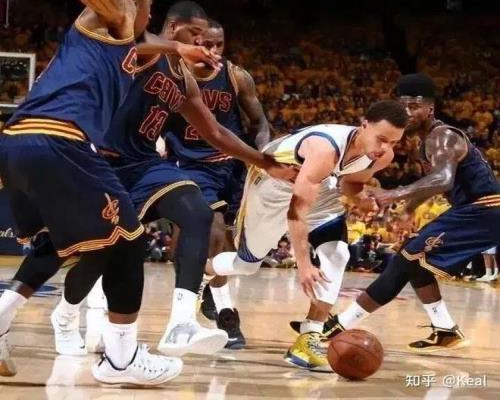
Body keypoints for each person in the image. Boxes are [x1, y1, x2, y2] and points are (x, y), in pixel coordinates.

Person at [52, 2, 289, 358]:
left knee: (198, 214)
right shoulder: (147, 53)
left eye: (211, 42)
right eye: (198, 37)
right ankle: (66, 314)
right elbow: (128, 44)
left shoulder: (190, 79)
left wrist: (264, 161)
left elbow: (215, 131)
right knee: (99, 256)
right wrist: (176, 47)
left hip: (149, 164)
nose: (204, 47)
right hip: (106, 163)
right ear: (175, 28)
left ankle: (182, 324)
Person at [0, 0, 186, 386]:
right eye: (150, 5)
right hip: (59, 139)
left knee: (57, 243)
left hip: (16, 140)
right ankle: (121, 359)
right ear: (131, 0)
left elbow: (144, 46)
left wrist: (177, 49)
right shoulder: (115, 11)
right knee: (128, 241)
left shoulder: (113, 41)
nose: (150, 14)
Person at [204, 100, 409, 371]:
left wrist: (361, 199)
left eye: (394, 142)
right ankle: (205, 271)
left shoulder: (382, 156)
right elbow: (296, 212)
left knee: (338, 254)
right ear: (363, 126)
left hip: (318, 185)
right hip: (273, 184)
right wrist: (303, 264)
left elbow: (351, 182)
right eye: (381, 139)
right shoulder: (325, 149)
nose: (385, 148)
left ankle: (309, 337)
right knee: (247, 265)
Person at [326, 73, 500, 353]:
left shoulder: (442, 136)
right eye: (402, 106)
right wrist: (409, 208)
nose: (407, 112)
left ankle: (340, 325)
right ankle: (445, 330)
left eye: (414, 106)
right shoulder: (424, 141)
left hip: (484, 209)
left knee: (405, 260)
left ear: (430, 109)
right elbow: (436, 184)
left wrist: (393, 194)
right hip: (475, 210)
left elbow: (443, 179)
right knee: (417, 263)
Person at [165, 19, 271, 349]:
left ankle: (208, 288)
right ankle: (227, 315)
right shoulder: (172, 75)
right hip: (189, 166)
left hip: (232, 167)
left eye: (219, 44)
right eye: (206, 44)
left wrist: (264, 152)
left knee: (218, 245)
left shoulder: (237, 76)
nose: (213, 51)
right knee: (210, 231)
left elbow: (259, 122)